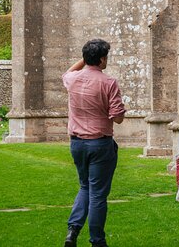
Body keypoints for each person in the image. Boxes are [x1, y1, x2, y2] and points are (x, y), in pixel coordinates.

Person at [62, 39, 126, 247]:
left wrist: (86, 58)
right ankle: (97, 241)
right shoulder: (108, 83)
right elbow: (117, 117)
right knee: (98, 194)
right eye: (105, 55)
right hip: (100, 144)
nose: (107, 59)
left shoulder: (72, 80)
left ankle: (73, 230)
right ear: (101, 59)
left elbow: (68, 72)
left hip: (77, 144)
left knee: (84, 186)